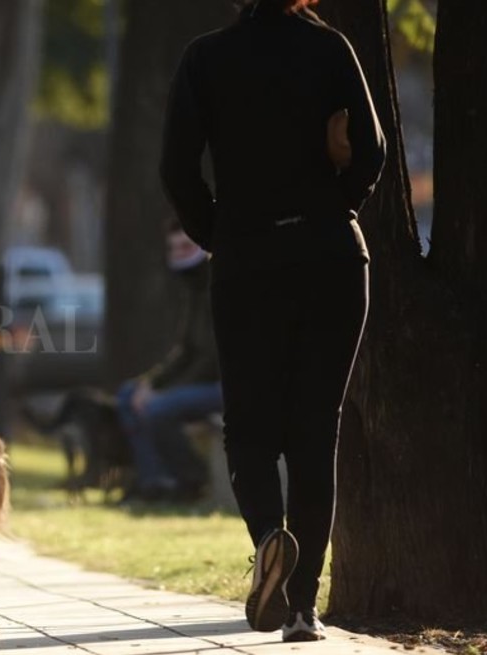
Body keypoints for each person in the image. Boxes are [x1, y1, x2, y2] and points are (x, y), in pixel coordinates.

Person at [160, 0, 385, 643]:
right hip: (334, 257)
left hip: (248, 259)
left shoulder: (205, 58)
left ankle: (269, 542)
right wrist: (337, 209)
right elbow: (372, 148)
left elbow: (176, 169)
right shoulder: (332, 46)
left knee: (249, 429)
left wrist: (220, 234)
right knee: (318, 432)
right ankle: (304, 609)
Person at [114, 221, 222, 502]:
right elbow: (186, 351)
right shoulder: (195, 291)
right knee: (128, 395)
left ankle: (193, 479)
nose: (179, 255)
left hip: (225, 386)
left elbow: (213, 358)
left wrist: (160, 392)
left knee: (157, 409)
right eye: (173, 249)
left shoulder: (219, 284)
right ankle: (154, 481)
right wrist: (150, 383)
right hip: (201, 382)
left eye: (186, 247)